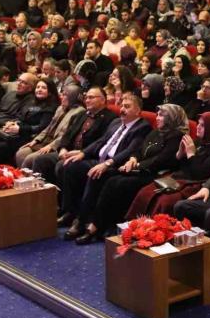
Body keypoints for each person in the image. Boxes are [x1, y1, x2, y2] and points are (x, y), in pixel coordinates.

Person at [71, 104, 187, 245]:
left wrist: (136, 165)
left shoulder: (177, 136)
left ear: (172, 118)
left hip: (155, 174)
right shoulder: (156, 132)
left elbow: (162, 160)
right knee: (102, 174)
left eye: (162, 115)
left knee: (116, 183)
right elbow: (139, 150)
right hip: (138, 169)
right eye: (157, 114)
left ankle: (96, 226)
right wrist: (133, 159)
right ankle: (84, 219)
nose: (157, 118)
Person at [60, 94, 152, 240]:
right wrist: (83, 153)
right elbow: (101, 141)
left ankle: (82, 221)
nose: (122, 109)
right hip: (100, 160)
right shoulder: (116, 122)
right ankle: (71, 211)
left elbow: (130, 151)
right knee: (71, 166)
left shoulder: (142, 127)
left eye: (127, 107)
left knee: (96, 174)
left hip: (116, 165)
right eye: (122, 106)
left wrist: (107, 163)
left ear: (138, 110)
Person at [126, 112, 210, 217]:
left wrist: (191, 154)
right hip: (178, 178)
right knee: (145, 191)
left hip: (194, 184)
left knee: (165, 201)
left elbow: (200, 174)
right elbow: (178, 166)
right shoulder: (198, 142)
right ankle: (134, 223)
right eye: (198, 123)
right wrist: (180, 154)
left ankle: (155, 225)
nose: (198, 127)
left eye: (202, 125)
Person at [49, 86, 117, 195]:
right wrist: (63, 148)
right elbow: (67, 134)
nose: (87, 100)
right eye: (86, 97)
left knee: (62, 166)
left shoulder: (110, 118)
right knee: (42, 160)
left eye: (91, 97)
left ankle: (64, 202)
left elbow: (102, 142)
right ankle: (45, 198)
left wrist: (82, 152)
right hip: (69, 151)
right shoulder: (82, 114)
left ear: (103, 100)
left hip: (87, 155)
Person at [0, 78, 59, 167]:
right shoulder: (32, 102)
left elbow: (41, 127)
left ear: (50, 92)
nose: (39, 89)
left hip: (33, 137)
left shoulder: (51, 108)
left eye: (43, 88)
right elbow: (20, 117)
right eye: (38, 87)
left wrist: (20, 129)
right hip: (20, 134)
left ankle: (3, 173)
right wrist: (12, 123)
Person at [15, 84, 85, 169]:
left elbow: (67, 135)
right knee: (21, 153)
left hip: (57, 144)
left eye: (64, 95)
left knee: (30, 159)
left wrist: (51, 146)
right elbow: (49, 126)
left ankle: (27, 176)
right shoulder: (60, 108)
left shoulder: (79, 112)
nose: (61, 97)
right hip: (46, 140)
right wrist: (36, 140)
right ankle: (21, 175)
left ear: (72, 97)